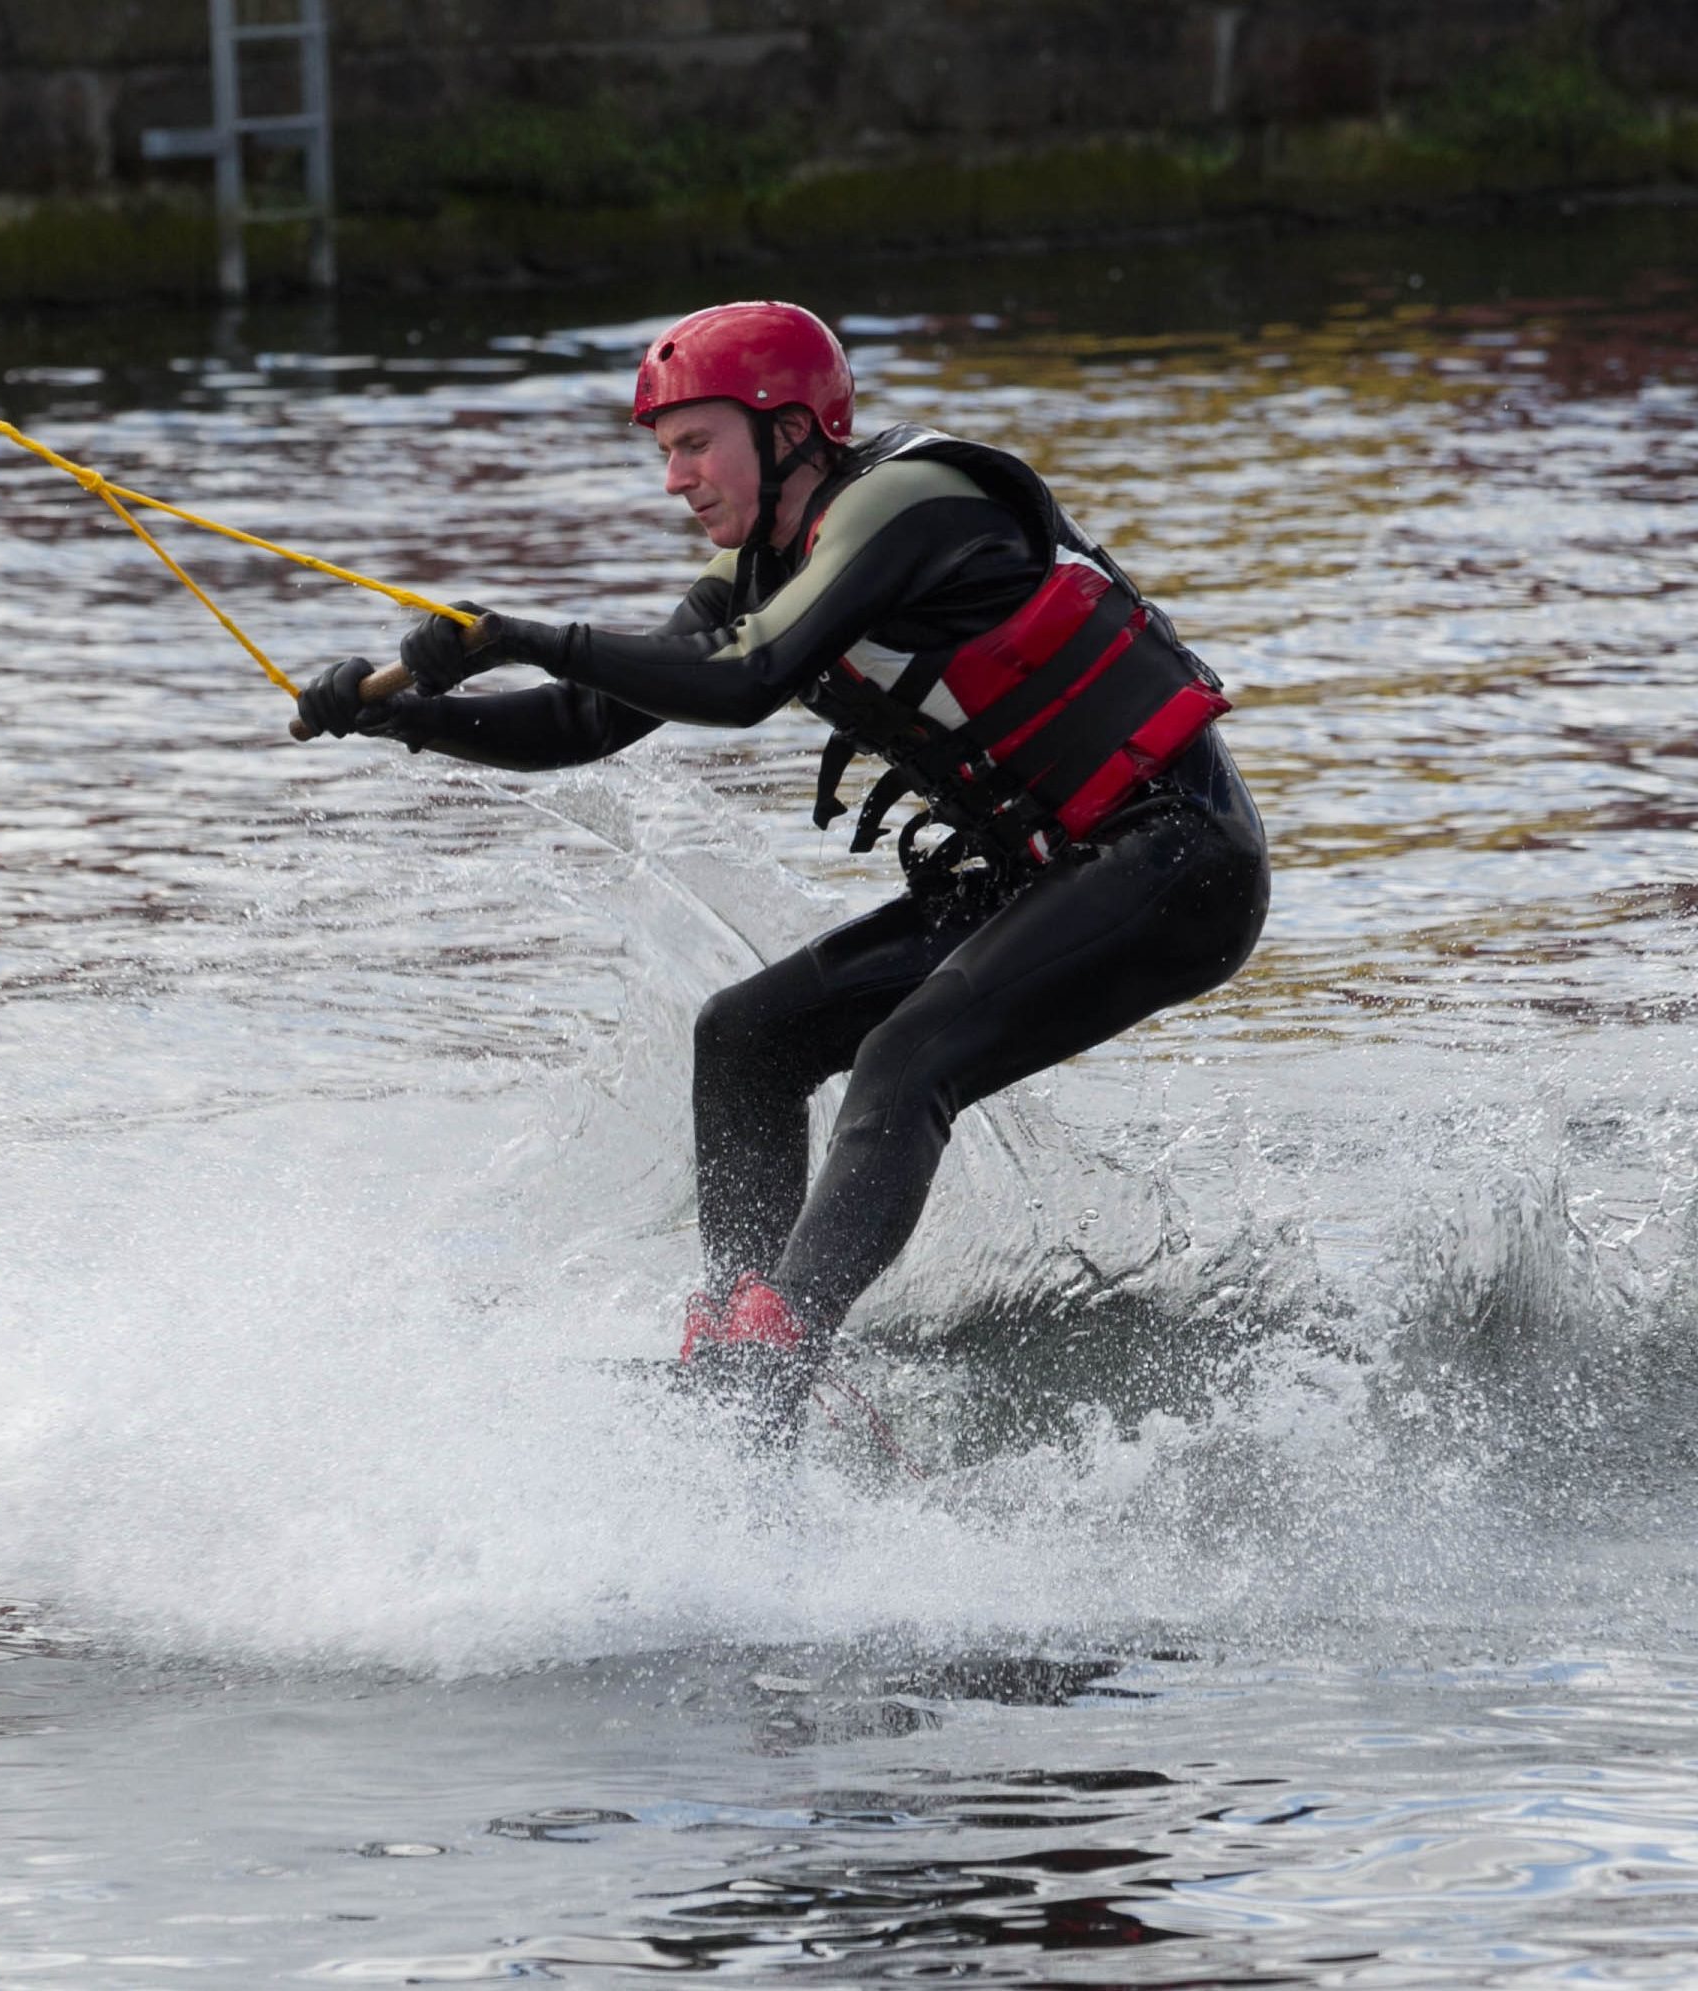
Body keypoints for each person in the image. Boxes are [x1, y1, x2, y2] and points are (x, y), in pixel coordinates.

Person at [295, 300, 1269, 1432]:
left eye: (694, 444)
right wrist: (401, 715)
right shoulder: (757, 574)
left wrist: (521, 631)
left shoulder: (912, 503)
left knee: (905, 1059)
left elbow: (747, 679)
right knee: (746, 1036)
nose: (675, 481)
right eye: (664, 453)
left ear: (790, 425)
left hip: (1173, 856)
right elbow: (581, 721)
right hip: (1036, 870)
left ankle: (774, 1356)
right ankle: (734, 1337)